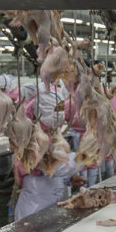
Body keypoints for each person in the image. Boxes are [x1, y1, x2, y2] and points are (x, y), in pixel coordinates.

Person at [14, 92, 82, 222]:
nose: (54, 128)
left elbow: (56, 169)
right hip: (36, 202)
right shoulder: (32, 136)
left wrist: (68, 179)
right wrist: (84, 157)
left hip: (50, 195)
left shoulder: (49, 131)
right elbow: (53, 168)